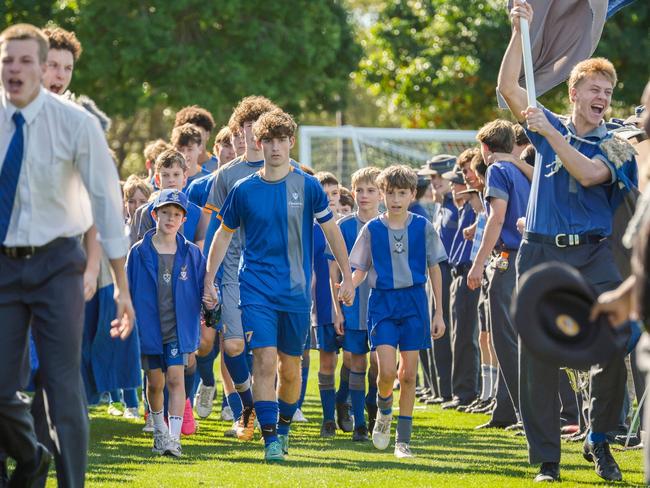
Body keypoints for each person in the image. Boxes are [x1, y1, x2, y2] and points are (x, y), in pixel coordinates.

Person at [498, 1, 637, 482]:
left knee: (615, 339)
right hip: (539, 252)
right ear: (573, 91)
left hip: (594, 253)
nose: (602, 96)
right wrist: (523, 28)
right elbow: (509, 87)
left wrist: (549, 136)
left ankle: (599, 439)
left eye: (609, 91)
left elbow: (592, 172)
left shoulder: (616, 143)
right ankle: (547, 462)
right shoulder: (548, 122)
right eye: (594, 88)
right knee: (538, 355)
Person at [0, 23, 134, 487]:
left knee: (61, 385)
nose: (53, 74)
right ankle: (31, 460)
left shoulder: (79, 123)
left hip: (59, 261)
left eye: (62, 67)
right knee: (3, 385)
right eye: (9, 61)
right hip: (4, 262)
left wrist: (113, 279)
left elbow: (105, 202)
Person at [203, 109, 354, 462]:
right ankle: (270, 438)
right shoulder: (243, 189)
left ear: (291, 143)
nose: (274, 147)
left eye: (281, 140)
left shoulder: (308, 186)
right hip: (255, 288)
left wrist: (347, 275)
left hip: (296, 293)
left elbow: (331, 231)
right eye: (267, 140)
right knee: (265, 360)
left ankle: (283, 427)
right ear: (259, 143)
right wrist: (208, 280)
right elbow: (222, 237)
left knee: (290, 369)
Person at [348, 164, 447, 458]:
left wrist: (438, 311)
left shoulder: (423, 227)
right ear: (383, 194)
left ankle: (403, 441)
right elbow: (361, 269)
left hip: (415, 302)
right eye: (390, 193)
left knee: (409, 375)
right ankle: (383, 409)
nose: (395, 199)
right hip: (383, 303)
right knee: (387, 371)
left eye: (401, 193)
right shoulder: (372, 229)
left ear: (411, 195)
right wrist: (348, 286)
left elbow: (434, 269)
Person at [202, 96, 280, 442]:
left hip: (270, 275)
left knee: (269, 354)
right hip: (231, 272)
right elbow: (212, 231)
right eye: (246, 128)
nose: (252, 135)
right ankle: (246, 410)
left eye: (258, 128)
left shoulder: (284, 172)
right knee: (232, 346)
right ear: (239, 131)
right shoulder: (226, 176)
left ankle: (274, 420)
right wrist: (209, 278)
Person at [127, 189, 206, 457]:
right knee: (155, 382)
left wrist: (211, 301)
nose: (170, 219)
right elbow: (128, 287)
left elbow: (203, 287)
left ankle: (173, 438)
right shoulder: (138, 252)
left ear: (183, 219)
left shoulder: (192, 253)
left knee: (176, 378)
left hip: (177, 327)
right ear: (154, 215)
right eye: (165, 213)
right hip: (149, 326)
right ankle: (159, 429)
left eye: (176, 215)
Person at [468, 120, 531, 431]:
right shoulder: (521, 169)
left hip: (508, 258)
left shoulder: (497, 170)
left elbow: (497, 218)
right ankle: (505, 410)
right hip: (529, 257)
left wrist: (478, 263)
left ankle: (524, 412)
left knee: (504, 339)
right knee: (514, 336)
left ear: (485, 147)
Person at [329, 166, 383, 440]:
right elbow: (334, 273)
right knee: (355, 361)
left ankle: (374, 409)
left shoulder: (389, 224)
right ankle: (359, 421)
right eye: (359, 190)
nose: (364, 196)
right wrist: (337, 310)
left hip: (381, 303)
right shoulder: (344, 226)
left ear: (381, 194)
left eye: (371, 190)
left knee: (379, 365)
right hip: (352, 304)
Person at [312, 171, 354, 437]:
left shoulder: (348, 226)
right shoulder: (311, 227)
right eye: (324, 194)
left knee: (351, 359)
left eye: (334, 193)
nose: (330, 199)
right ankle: (328, 419)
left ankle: (343, 400)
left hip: (351, 302)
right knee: (327, 362)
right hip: (323, 304)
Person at [174, 105, 217, 172]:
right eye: (186, 134)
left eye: (197, 133)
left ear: (207, 135)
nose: (191, 137)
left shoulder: (218, 166)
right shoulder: (166, 170)